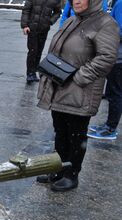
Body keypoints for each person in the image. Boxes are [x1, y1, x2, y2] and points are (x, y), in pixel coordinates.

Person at [36, 0, 118, 191]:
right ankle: (58, 168)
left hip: (81, 90)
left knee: (75, 134)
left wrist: (80, 77)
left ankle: (71, 174)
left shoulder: (105, 23)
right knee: (60, 131)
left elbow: (107, 57)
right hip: (60, 86)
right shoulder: (72, 20)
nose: (76, 1)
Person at [88, 0, 122, 140]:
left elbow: (118, 29)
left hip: (118, 57)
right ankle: (109, 125)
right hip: (116, 55)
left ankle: (110, 129)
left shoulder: (120, 3)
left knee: (115, 93)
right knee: (112, 92)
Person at [20, 0, 62, 83]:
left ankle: (34, 71)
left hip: (44, 29)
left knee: (39, 51)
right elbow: (26, 10)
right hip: (32, 28)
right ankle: (30, 73)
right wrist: (25, 25)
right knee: (33, 51)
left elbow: (57, 12)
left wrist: (50, 21)